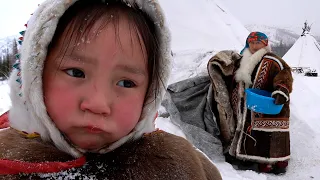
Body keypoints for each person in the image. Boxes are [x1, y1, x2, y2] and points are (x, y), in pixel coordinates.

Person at [0, 0, 222, 179]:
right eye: (76, 73)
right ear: (34, 76)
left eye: (126, 83)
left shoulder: (183, 168)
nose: (98, 104)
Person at [225, 32, 293, 174]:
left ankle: (277, 163)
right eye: (251, 43)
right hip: (250, 105)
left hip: (271, 102)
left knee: (272, 135)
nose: (254, 46)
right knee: (253, 132)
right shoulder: (243, 60)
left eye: (258, 43)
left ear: (265, 44)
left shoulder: (274, 60)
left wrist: (281, 90)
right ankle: (253, 159)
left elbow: (284, 74)